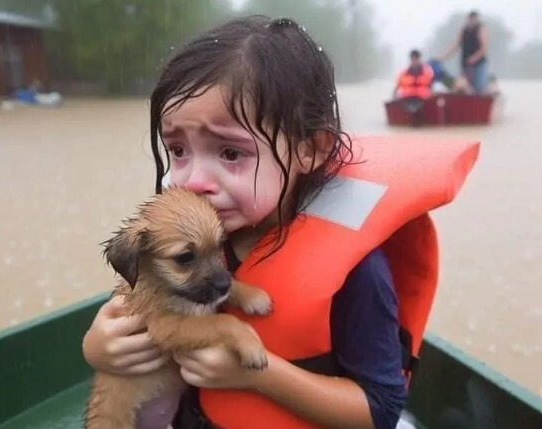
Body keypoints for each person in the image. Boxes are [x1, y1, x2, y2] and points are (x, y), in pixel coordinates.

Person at [82, 15, 479, 429]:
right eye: (177, 149)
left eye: (230, 153)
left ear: (310, 150)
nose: (194, 180)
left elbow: (380, 410)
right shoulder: (188, 234)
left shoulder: (359, 273)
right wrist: (98, 347)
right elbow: (145, 317)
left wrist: (260, 374)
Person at [439, 10, 489, 94]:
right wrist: (443, 56)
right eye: (471, 18)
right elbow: (455, 45)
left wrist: (474, 58)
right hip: (466, 64)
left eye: (474, 18)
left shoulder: (481, 29)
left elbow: (484, 48)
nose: (472, 20)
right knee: (462, 87)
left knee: (479, 87)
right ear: (468, 19)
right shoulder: (464, 30)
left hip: (479, 64)